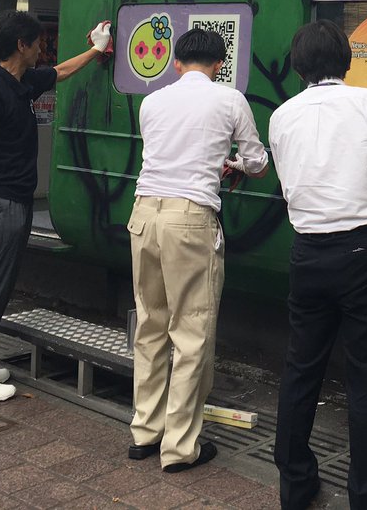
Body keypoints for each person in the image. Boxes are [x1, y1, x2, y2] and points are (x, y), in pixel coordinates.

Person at [270, 20, 367, 510]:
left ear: (298, 65)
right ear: (347, 60)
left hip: (307, 252)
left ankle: (294, 482)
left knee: (301, 366)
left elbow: (289, 185)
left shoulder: (282, 116)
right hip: (362, 253)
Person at [0, 11, 112, 403]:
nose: (41, 48)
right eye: (37, 42)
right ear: (22, 45)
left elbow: (62, 71)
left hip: (12, 202)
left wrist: (95, 50)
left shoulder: (21, 82)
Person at [127, 27, 269, 473]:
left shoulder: (151, 102)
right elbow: (259, 164)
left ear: (176, 63)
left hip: (144, 214)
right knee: (190, 333)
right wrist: (237, 165)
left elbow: (167, 152)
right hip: (190, 221)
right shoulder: (229, 100)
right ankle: (179, 448)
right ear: (219, 65)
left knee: (150, 325)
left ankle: (144, 433)